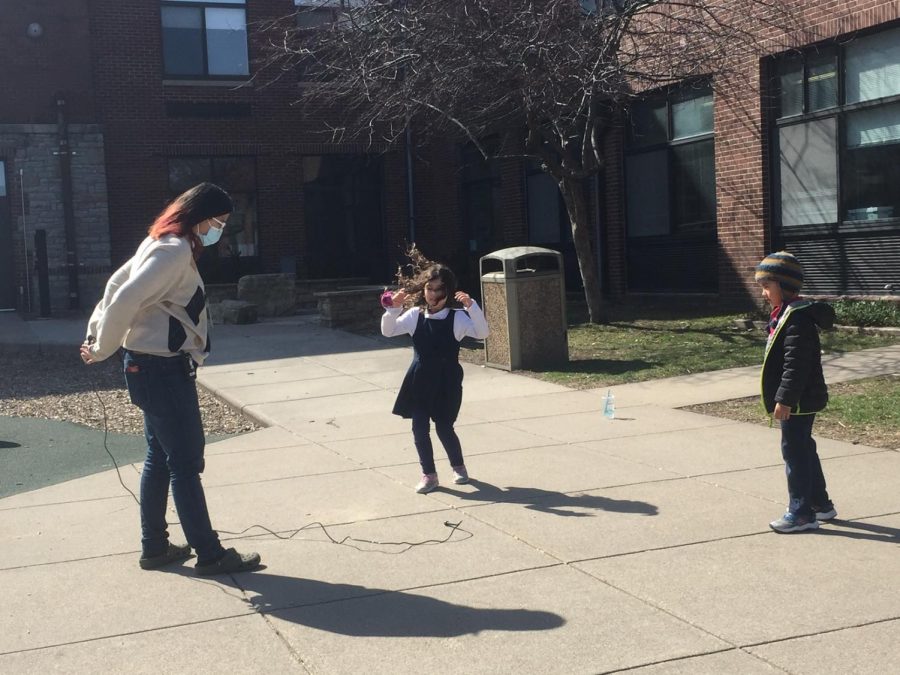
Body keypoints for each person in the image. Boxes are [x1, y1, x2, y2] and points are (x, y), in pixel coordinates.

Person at [80, 182, 261, 574]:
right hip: (161, 369)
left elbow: (115, 285)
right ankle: (210, 554)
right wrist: (100, 346)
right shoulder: (173, 249)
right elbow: (125, 296)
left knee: (160, 457)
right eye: (220, 221)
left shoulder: (161, 241)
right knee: (185, 460)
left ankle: (155, 547)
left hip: (150, 366)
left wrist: (97, 335)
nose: (221, 230)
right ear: (200, 216)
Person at [381, 263, 489, 493]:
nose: (433, 294)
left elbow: (482, 333)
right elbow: (388, 331)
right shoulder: (414, 316)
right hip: (419, 380)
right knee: (419, 428)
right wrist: (392, 310)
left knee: (444, 427)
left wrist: (472, 307)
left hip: (446, 382)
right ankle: (429, 475)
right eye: (429, 288)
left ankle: (458, 466)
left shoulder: (457, 318)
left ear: (448, 292)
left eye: (439, 289)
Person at [755, 251, 836, 533]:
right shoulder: (788, 315)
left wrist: (785, 399)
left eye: (767, 286)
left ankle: (801, 512)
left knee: (795, 451)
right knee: (803, 446)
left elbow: (796, 364)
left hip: (798, 399)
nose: (764, 293)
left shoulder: (797, 319)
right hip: (801, 397)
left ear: (785, 286)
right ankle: (820, 503)